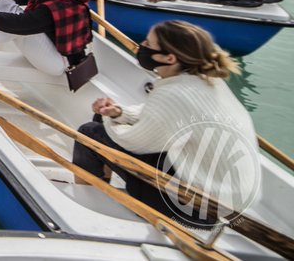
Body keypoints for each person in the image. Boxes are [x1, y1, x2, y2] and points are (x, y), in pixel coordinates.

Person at [72, 21, 258, 226]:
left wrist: (108, 118)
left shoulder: (173, 93)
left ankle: (86, 202)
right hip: (225, 201)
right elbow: (158, 115)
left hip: (190, 208)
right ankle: (100, 182)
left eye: (148, 43)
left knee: (89, 133)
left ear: (169, 58)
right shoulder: (205, 79)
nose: (141, 45)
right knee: (105, 120)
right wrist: (118, 113)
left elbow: (133, 142)